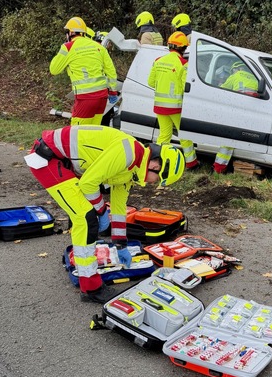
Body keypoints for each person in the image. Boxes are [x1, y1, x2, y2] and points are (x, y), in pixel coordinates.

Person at [25, 126, 185, 300]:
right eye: (159, 179)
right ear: (155, 165)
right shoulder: (127, 154)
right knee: (85, 218)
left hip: (63, 162)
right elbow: (88, 184)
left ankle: (88, 280)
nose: (154, 183)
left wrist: (120, 244)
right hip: (47, 158)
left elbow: (118, 209)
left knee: (87, 216)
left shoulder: (132, 168)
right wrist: (101, 211)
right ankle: (91, 289)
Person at [49, 17, 118, 126]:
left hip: (85, 99)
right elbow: (111, 71)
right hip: (102, 98)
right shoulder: (98, 47)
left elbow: (54, 69)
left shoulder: (68, 47)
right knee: (93, 132)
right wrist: (113, 91)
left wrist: (62, 51)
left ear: (71, 33)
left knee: (77, 134)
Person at [147, 31, 199, 170]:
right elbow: (184, 87)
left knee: (164, 135)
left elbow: (150, 82)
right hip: (176, 107)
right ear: (183, 48)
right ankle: (192, 163)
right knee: (184, 135)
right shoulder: (183, 63)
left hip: (160, 106)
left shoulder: (158, 61)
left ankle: (157, 163)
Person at [213, 60, 259, 174]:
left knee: (227, 142)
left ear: (235, 69)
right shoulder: (254, 78)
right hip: (251, 115)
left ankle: (218, 169)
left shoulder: (235, 76)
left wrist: (219, 84)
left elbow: (222, 89)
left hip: (236, 113)